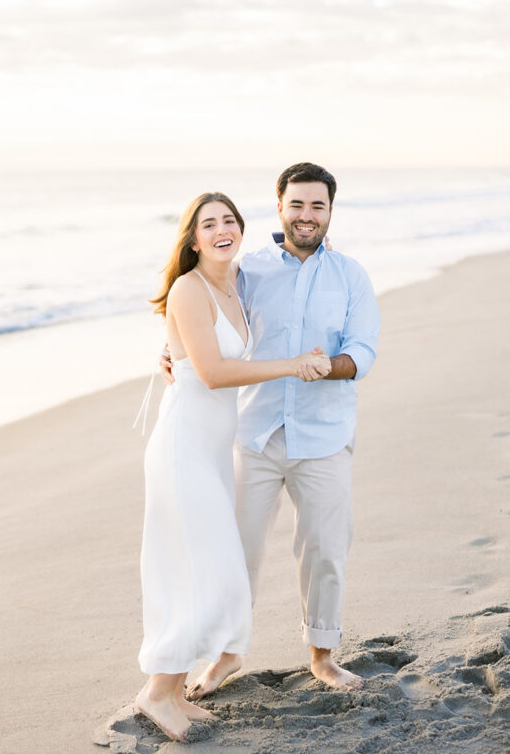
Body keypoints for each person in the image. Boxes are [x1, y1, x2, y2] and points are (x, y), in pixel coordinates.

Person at [163, 163, 380, 700]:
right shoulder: (247, 270)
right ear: (279, 206)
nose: (307, 216)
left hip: (324, 436)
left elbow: (363, 352)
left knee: (324, 548)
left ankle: (323, 656)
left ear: (330, 211)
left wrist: (321, 366)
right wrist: (174, 350)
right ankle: (226, 654)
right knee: (237, 548)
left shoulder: (351, 275)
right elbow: (208, 316)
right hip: (255, 433)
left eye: (318, 206)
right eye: (298, 205)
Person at [135, 191, 332, 743]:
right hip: (183, 448)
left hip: (213, 450)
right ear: (192, 238)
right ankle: (156, 692)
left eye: (229, 221)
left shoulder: (235, 281)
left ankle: (172, 693)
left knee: (203, 569)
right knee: (203, 569)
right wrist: (293, 366)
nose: (221, 230)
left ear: (242, 229)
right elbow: (216, 373)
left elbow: (292, 256)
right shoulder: (189, 288)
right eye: (208, 224)